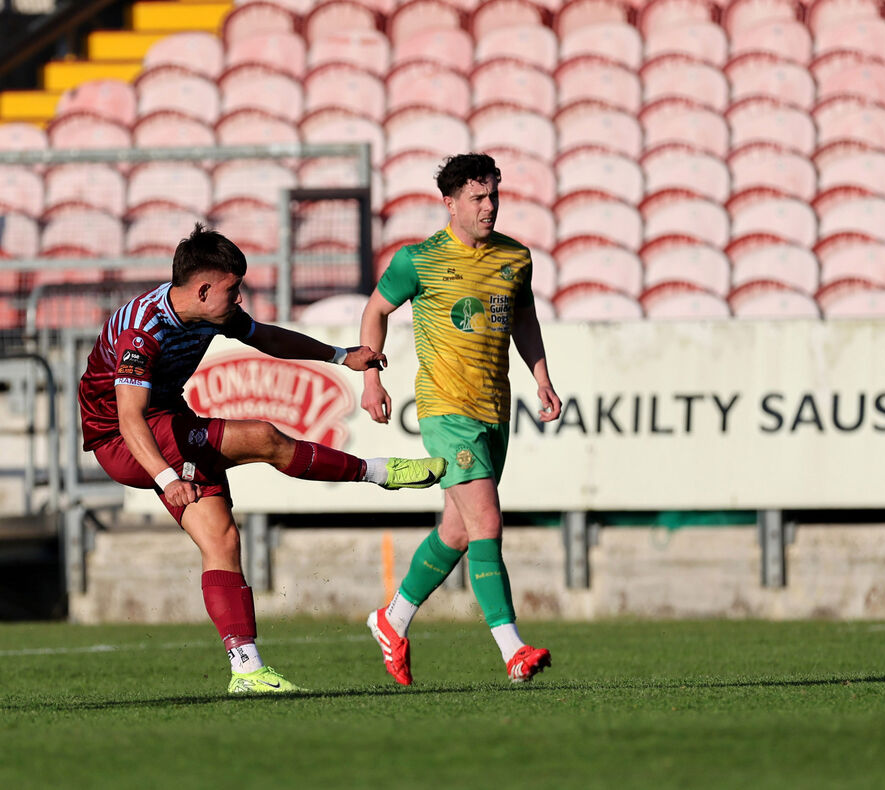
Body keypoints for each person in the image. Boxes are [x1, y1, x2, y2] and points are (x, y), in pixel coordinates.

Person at [78, 224, 447, 693]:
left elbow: (266, 338)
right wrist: (168, 478)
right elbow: (129, 418)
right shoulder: (142, 330)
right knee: (262, 437)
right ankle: (378, 472)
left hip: (164, 425)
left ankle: (246, 669)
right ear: (204, 288)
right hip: (124, 439)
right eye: (233, 290)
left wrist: (340, 355)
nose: (239, 298)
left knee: (223, 540)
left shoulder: (209, 311)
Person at [359, 152, 562, 685]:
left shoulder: (515, 258)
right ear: (450, 204)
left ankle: (392, 618)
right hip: (446, 410)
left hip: (495, 410)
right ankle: (512, 650)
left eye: (493, 195)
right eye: (478, 198)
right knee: (487, 523)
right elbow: (376, 309)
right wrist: (371, 377)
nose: (489, 206)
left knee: (457, 530)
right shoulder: (418, 260)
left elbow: (525, 319)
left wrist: (541, 377)